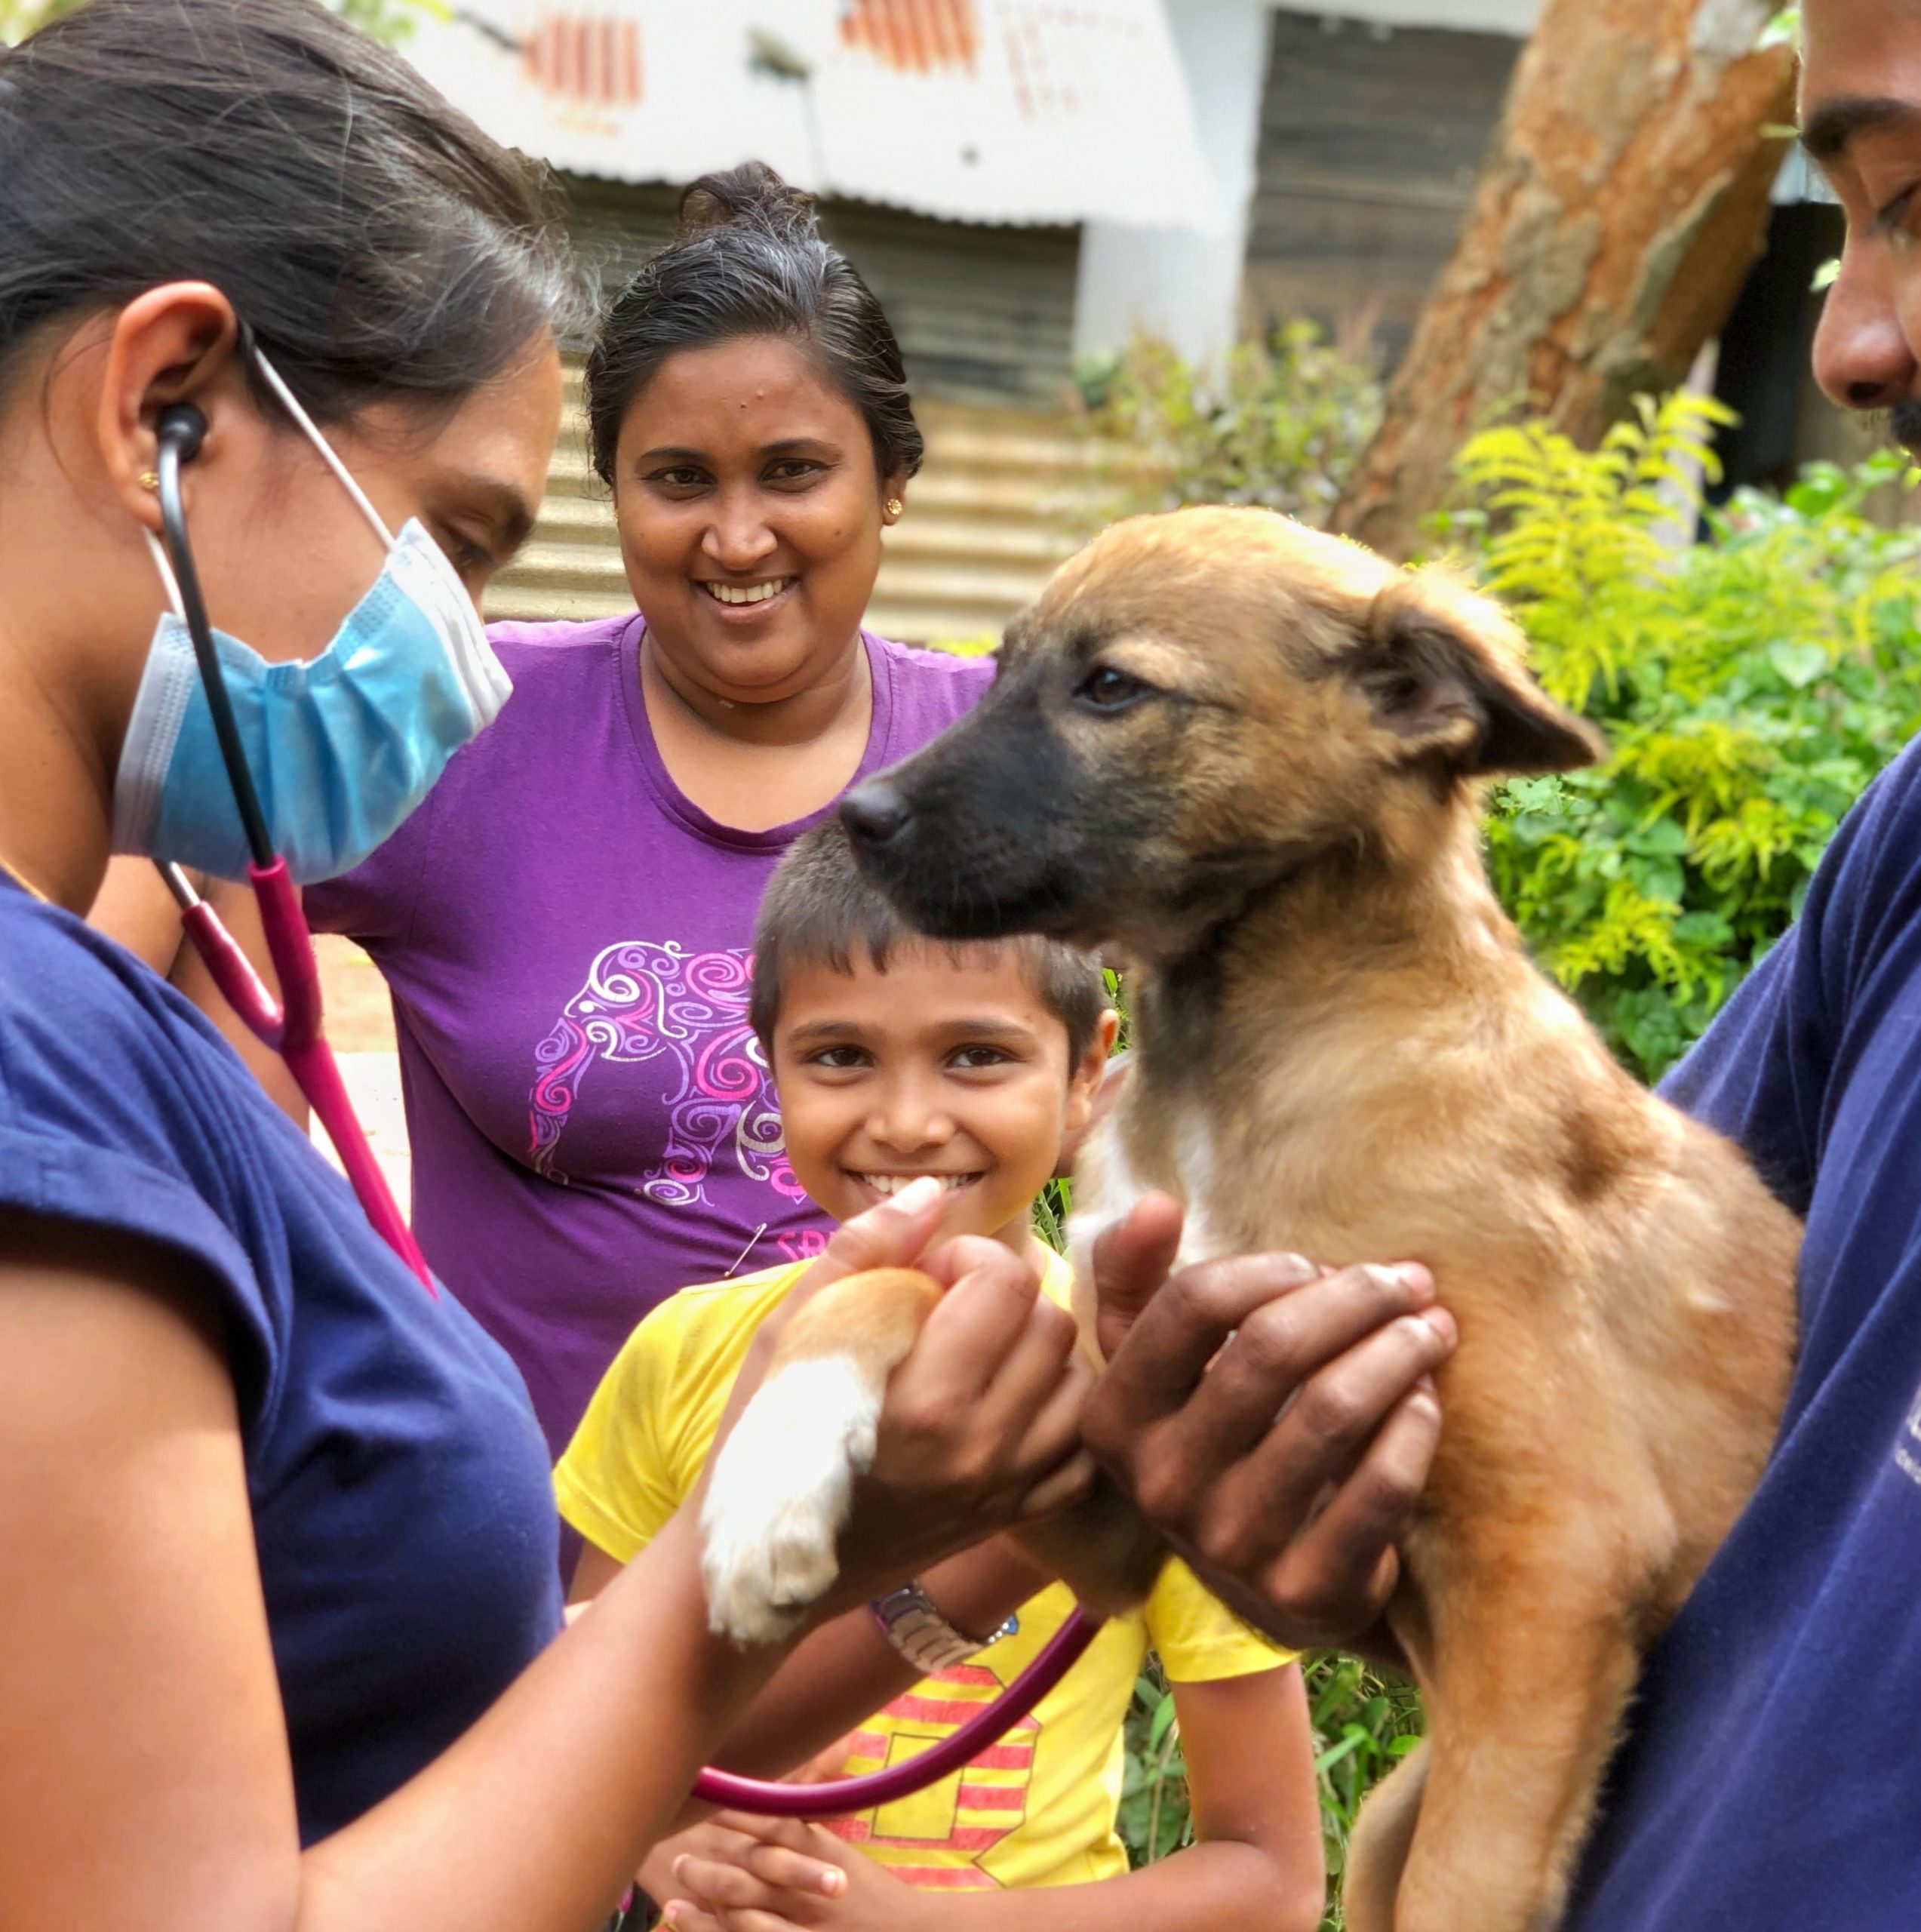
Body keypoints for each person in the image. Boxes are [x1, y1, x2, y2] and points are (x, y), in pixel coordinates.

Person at [0, 4, 1099, 1923]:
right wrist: (759, 1530)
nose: (464, 655)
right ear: (163, 404)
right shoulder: (34, 1065)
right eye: (459, 539)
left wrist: (883, 1537)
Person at [1079, 2, 1921, 1921]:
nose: (1847, 339)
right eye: (1841, 217)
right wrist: (1335, 1519)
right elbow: (1595, 1459)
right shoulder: (1910, 842)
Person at [294, 163, 995, 1462]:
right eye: (679, 479)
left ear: (889, 479)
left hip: (917, 1569)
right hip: (535, 1593)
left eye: (793, 471)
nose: (736, 538)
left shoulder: (1007, 755)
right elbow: (157, 881)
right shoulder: (467, 728)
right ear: (612, 489)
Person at [557, 824, 1325, 1930]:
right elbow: (587, 1735)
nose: (908, 1123)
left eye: (976, 1056)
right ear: (766, 1065)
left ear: (1086, 1075)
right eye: (839, 1057)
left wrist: (908, 1924)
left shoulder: (1149, 1395)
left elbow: (1269, 1882)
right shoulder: (684, 1353)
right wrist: (666, 1854)